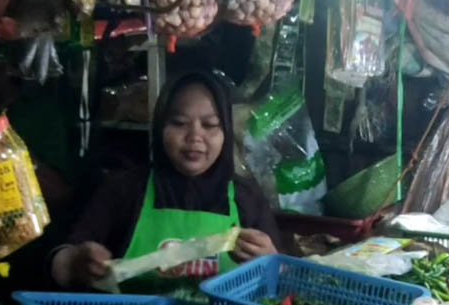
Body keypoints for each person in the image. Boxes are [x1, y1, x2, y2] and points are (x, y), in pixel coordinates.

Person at [50, 71, 283, 292]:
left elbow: (283, 285)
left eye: (210, 125)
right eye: (180, 123)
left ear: (226, 132)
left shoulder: (247, 197)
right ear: (161, 127)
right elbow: (59, 265)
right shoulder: (124, 189)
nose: (194, 137)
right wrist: (76, 261)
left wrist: (270, 262)